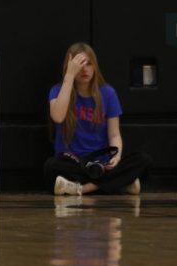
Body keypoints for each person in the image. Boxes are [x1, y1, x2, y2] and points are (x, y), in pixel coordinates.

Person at [45, 43, 150, 196]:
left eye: (89, 64)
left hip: (101, 163)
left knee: (143, 160)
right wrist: (69, 76)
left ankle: (81, 188)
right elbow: (58, 117)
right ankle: (119, 184)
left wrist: (117, 155)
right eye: (79, 65)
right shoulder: (57, 90)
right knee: (51, 166)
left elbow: (114, 134)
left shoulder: (108, 93)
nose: (84, 69)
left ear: (95, 66)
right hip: (74, 162)